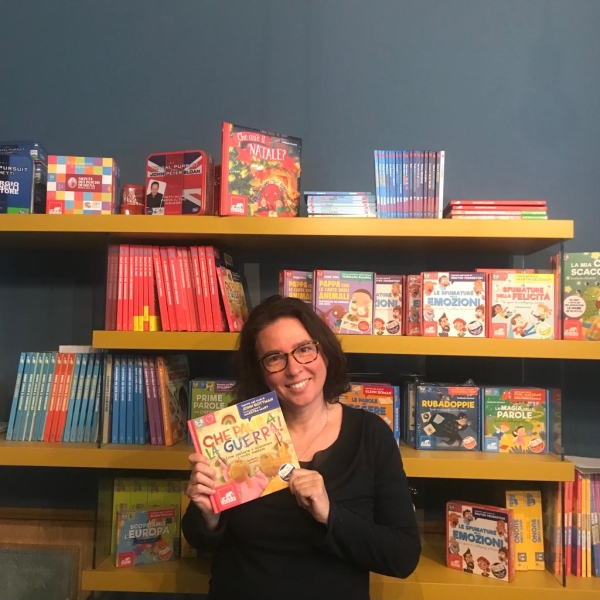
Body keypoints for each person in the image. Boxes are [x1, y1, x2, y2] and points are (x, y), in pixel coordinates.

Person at [182, 295, 421, 600]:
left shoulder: (370, 434)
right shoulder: (234, 436)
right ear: (261, 372)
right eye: (274, 358)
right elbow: (199, 540)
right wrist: (209, 517)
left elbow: (402, 556)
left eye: (304, 349)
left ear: (324, 353)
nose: (294, 369)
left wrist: (330, 515)